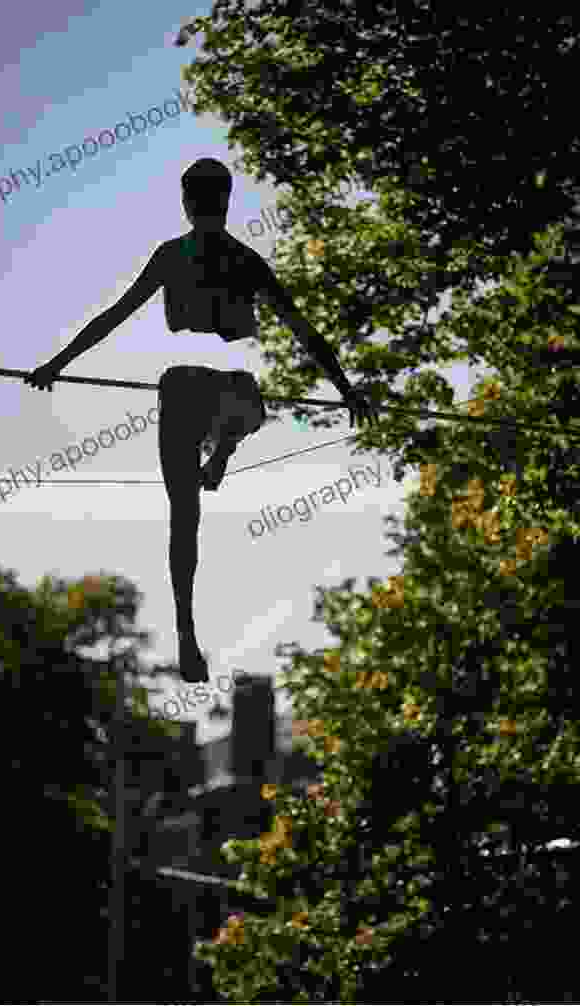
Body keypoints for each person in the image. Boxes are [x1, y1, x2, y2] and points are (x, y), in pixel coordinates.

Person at [25, 158, 378, 682]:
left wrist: (58, 364)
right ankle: (225, 450)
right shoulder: (247, 260)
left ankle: (187, 630)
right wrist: (346, 389)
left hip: (183, 389)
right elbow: (306, 334)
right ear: (228, 201)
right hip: (234, 392)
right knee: (248, 406)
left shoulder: (172, 255)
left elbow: (112, 317)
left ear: (187, 203)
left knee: (184, 516)